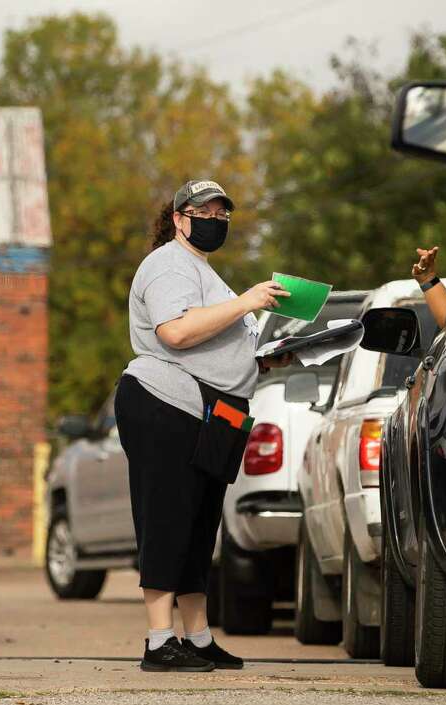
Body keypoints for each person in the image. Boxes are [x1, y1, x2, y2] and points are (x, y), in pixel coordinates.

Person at [114, 180, 291, 672]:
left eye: (223, 214)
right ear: (178, 218)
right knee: (167, 517)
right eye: (205, 211)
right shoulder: (168, 264)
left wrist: (265, 359)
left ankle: (196, 636)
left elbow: (215, 339)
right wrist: (249, 300)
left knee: (199, 524)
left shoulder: (202, 271)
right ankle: (158, 640)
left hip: (212, 412)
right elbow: (177, 331)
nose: (216, 220)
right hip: (165, 402)